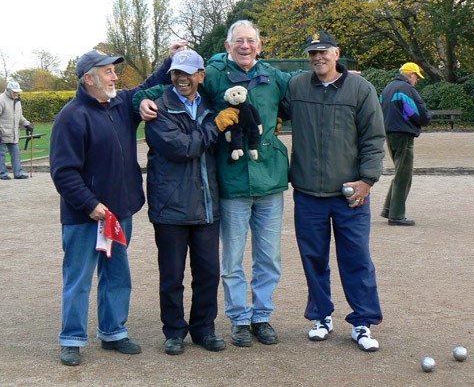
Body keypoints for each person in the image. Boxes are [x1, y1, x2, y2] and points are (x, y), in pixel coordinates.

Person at [135, 20, 294, 348]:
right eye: (239, 41)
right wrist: (141, 101)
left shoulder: (275, 76)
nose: (245, 46)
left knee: (267, 257)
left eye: (251, 41)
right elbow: (166, 87)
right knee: (230, 260)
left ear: (260, 46)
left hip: (268, 180)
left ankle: (260, 316)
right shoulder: (214, 74)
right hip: (231, 181)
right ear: (228, 46)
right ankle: (238, 318)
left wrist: (338, 76)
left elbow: (300, 95)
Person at [49, 43, 185, 366]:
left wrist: (171, 58)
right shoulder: (71, 116)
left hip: (119, 213)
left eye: (113, 71)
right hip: (86, 216)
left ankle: (113, 332)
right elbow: (63, 172)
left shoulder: (122, 102)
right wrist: (90, 204)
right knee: (79, 277)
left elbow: (151, 83)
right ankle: (72, 337)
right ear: (88, 80)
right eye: (108, 72)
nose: (114, 77)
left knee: (116, 274)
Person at [281, 30, 385, 352]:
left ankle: (362, 322)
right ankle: (321, 316)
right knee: (313, 259)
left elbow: (373, 139)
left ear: (336, 53)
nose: (317, 58)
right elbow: (270, 101)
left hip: (349, 194)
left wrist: (367, 181)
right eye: (312, 53)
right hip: (308, 193)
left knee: (356, 258)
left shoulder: (361, 89)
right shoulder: (296, 86)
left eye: (323, 52)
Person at [145, 49, 238, 355]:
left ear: (201, 75)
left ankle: (203, 329)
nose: (181, 78)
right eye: (176, 73)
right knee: (172, 275)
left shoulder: (211, 105)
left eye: (187, 73)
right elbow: (184, 147)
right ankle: (173, 331)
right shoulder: (159, 109)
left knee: (208, 272)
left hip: (207, 204)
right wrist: (216, 126)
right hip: (170, 207)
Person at [380, 62, 431, 226]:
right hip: (403, 134)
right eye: (417, 77)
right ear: (411, 75)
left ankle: (388, 208)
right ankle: (396, 215)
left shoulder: (387, 88)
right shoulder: (406, 89)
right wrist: (423, 120)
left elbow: (385, 109)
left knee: (400, 171)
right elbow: (417, 113)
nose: (417, 81)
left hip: (389, 133)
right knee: (404, 174)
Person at [0, 81, 33, 180]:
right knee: (1, 154)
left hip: (13, 133)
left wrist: (27, 124)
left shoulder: (17, 101)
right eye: (14, 92)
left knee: (16, 153)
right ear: (9, 90)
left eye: (17, 92)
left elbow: (19, 116)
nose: (16, 94)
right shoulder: (1, 99)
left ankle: (18, 173)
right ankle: (2, 174)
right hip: (1, 133)